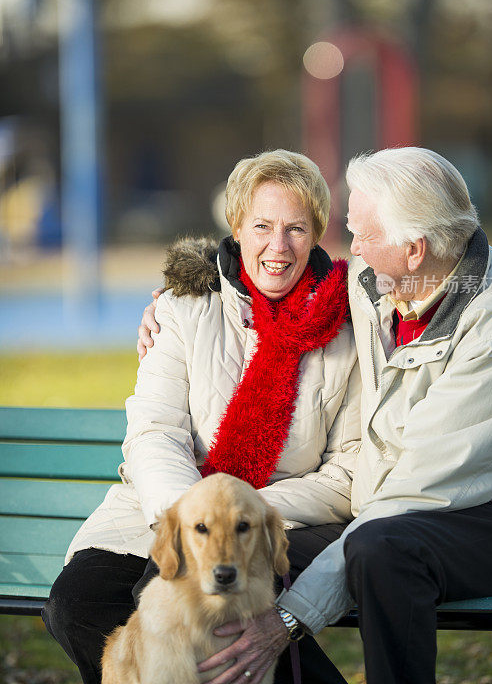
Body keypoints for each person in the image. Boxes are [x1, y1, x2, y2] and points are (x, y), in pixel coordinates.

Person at [149, 146, 492, 684]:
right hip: (380, 509)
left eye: (362, 236)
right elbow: (273, 281)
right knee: (231, 557)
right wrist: (180, 293)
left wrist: (289, 617)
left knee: (382, 552)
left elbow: (411, 499)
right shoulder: (381, 282)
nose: (351, 250)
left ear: (415, 249)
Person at [41, 149, 361, 684]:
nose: (278, 247)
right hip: (162, 507)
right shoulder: (183, 308)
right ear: (235, 227)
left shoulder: (349, 328)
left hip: (281, 521)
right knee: (76, 604)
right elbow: (154, 432)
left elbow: (349, 468)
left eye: (296, 229)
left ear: (318, 234)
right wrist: (191, 516)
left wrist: (239, 512)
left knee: (182, 606)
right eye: (262, 226)